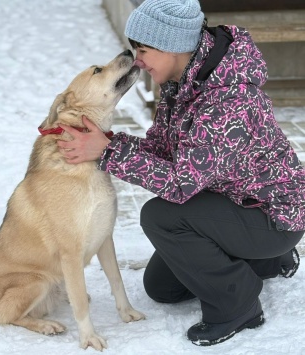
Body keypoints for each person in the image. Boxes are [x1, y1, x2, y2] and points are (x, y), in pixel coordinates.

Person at [57, 0, 304, 346]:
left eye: (144, 49)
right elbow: (162, 150)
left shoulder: (227, 99)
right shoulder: (185, 80)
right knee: (163, 288)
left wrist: (108, 153)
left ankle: (239, 306)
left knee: (160, 216)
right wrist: (107, 141)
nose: (138, 60)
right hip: (232, 200)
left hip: (272, 215)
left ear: (174, 46)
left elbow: (180, 184)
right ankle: (267, 262)